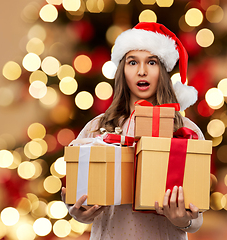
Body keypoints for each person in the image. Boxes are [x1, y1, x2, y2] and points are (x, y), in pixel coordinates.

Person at [61, 22, 205, 239]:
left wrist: (184, 220)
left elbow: (197, 217)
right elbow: (79, 198)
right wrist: (78, 213)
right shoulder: (96, 127)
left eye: (152, 62)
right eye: (132, 62)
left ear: (163, 70)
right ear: (122, 70)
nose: (142, 71)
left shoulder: (186, 131)